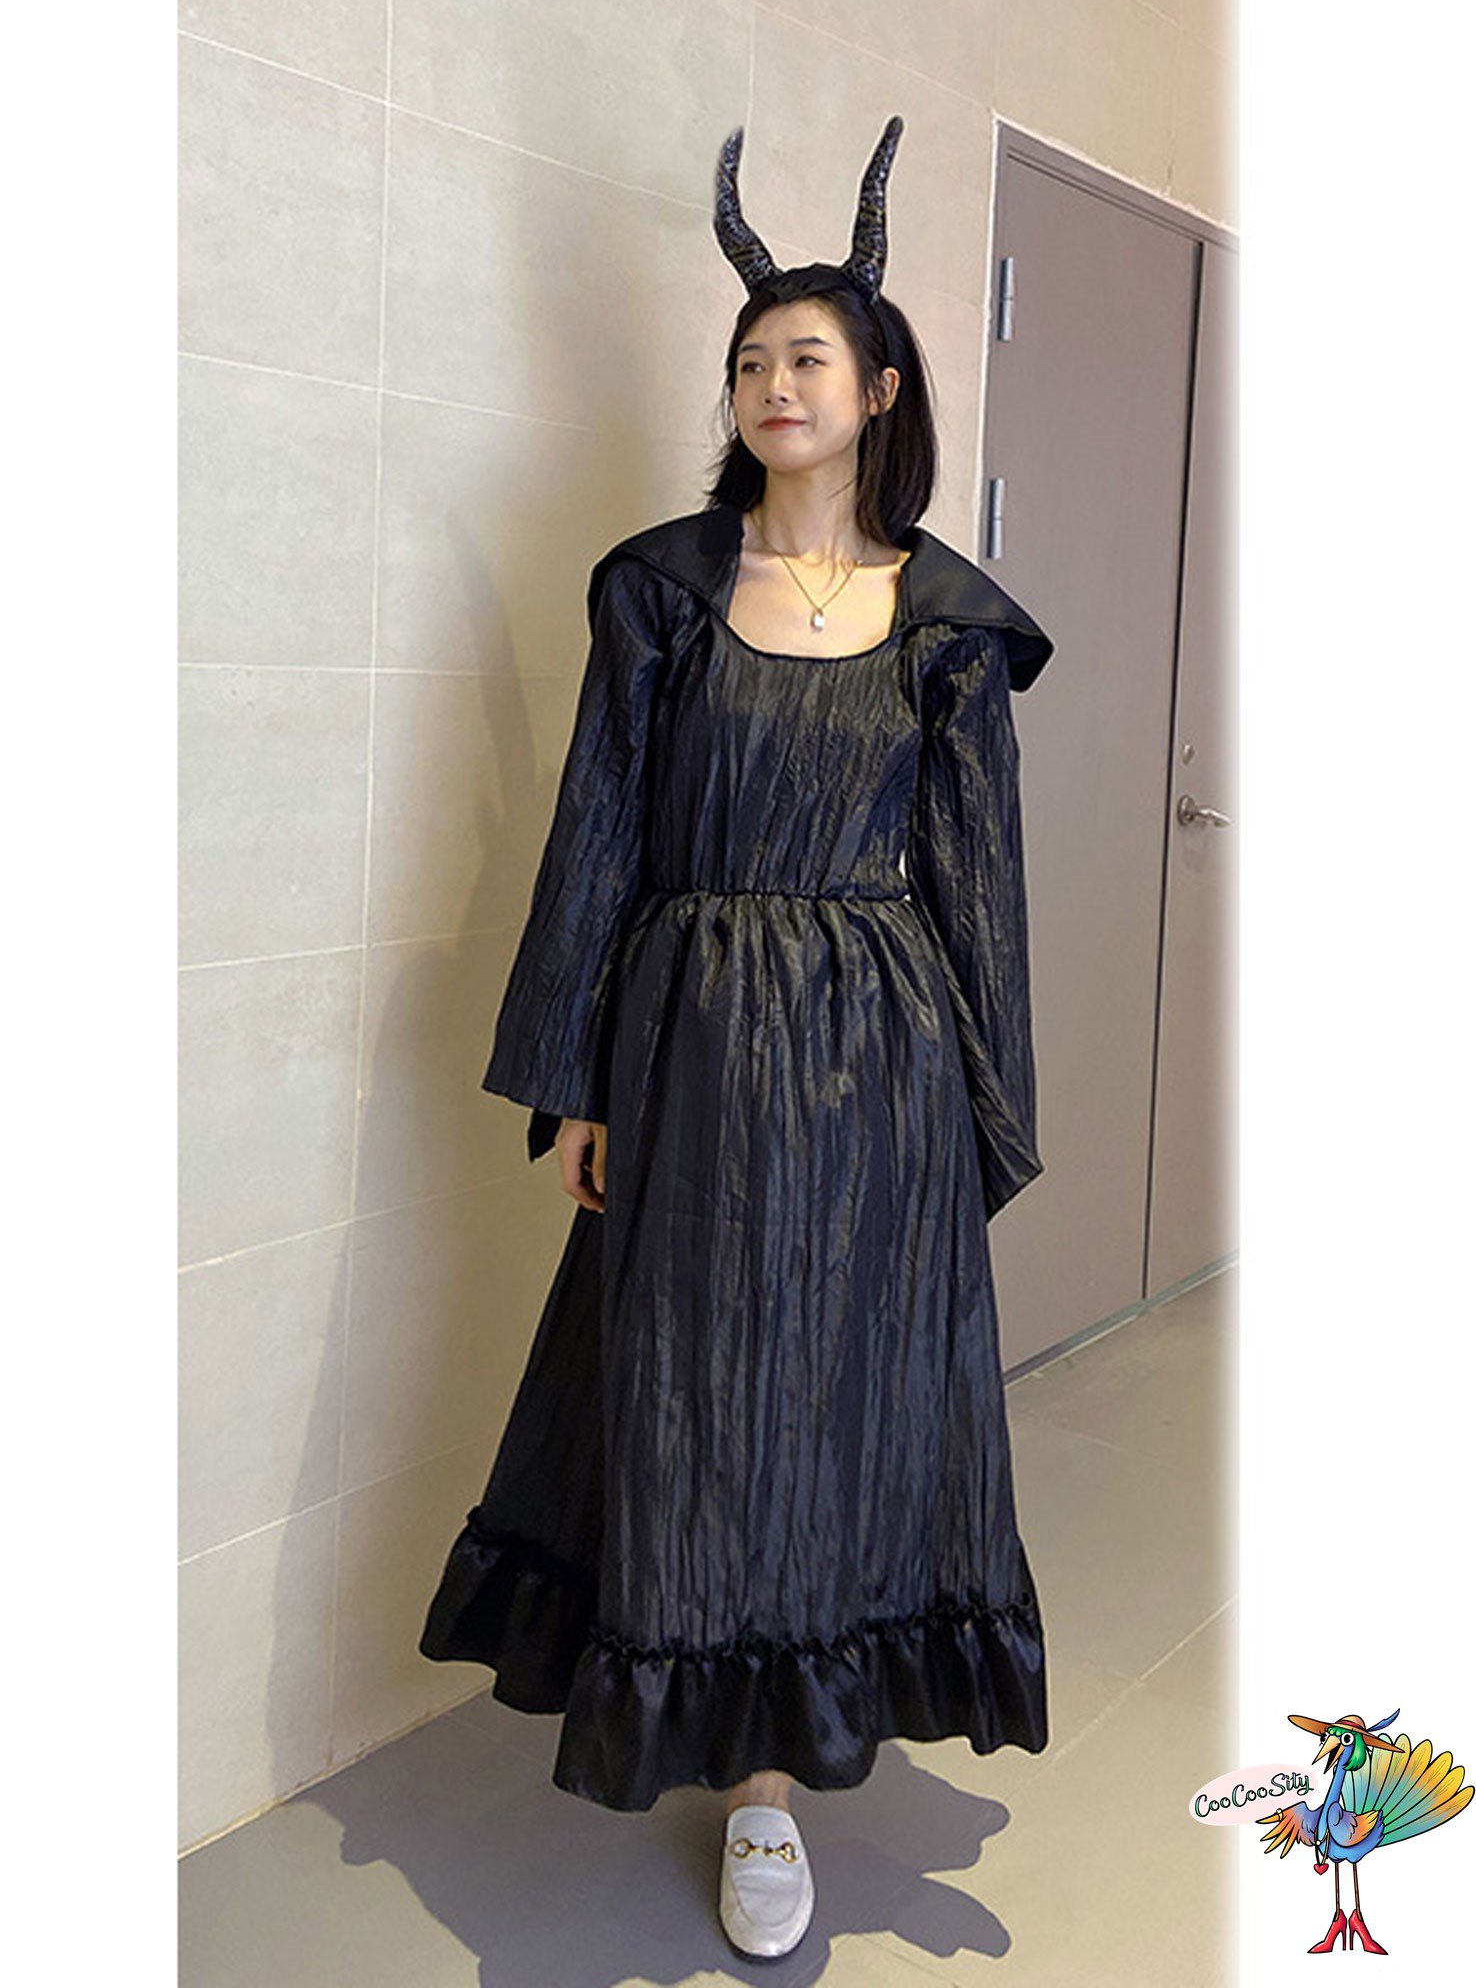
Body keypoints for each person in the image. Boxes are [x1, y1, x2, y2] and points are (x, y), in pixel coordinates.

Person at [420, 116, 1056, 1961]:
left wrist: (983, 1111)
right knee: (697, 1395)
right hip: (692, 1056)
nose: (776, 383)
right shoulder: (661, 592)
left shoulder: (947, 625)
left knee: (846, 1403)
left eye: (811, 357)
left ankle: (788, 1759)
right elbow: (598, 837)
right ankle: (740, 1771)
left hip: (883, 1072)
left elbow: (982, 884)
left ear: (880, 390)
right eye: (752, 358)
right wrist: (575, 1082)